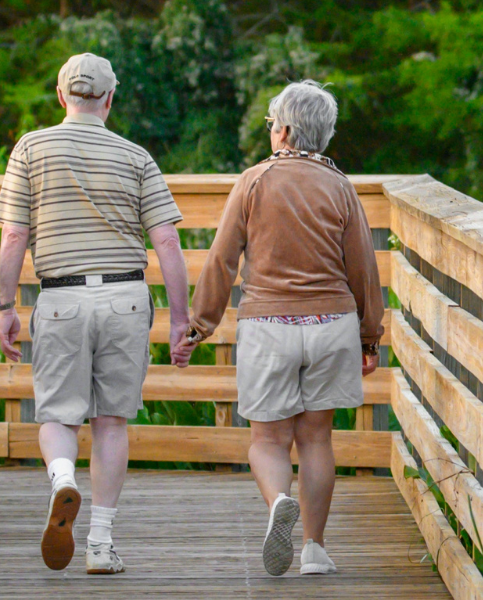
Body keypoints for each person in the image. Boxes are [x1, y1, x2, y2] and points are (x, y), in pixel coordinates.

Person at [0, 53, 194, 574]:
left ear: (62, 97)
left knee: (59, 414)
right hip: (126, 299)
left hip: (60, 298)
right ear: (109, 99)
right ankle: (101, 545)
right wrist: (179, 319)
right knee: (110, 422)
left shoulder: (31, 148)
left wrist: (7, 305)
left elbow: (14, 234)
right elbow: (167, 239)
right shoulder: (136, 156)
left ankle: (62, 478)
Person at [177, 80, 384, 577]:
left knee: (268, 440)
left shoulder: (252, 181)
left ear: (285, 130)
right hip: (331, 324)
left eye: (272, 124)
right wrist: (369, 335)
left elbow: (223, 260)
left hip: (268, 324)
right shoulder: (340, 186)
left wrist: (198, 326)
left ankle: (277, 504)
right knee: (317, 440)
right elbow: (363, 267)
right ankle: (314, 549)